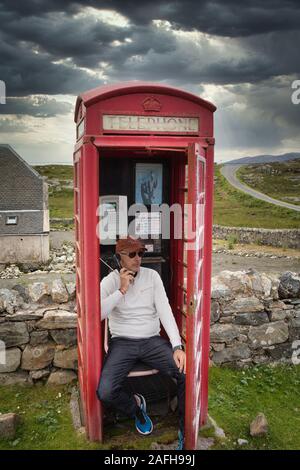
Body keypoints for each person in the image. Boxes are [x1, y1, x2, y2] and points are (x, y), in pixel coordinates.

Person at [96, 235, 186, 450]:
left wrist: (177, 346)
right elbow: (97, 314)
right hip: (122, 343)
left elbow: (165, 310)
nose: (138, 259)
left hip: (151, 341)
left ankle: (185, 429)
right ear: (120, 258)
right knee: (105, 392)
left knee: (184, 373)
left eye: (141, 254)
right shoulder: (110, 281)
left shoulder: (152, 276)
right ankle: (136, 409)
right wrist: (121, 290)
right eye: (133, 254)